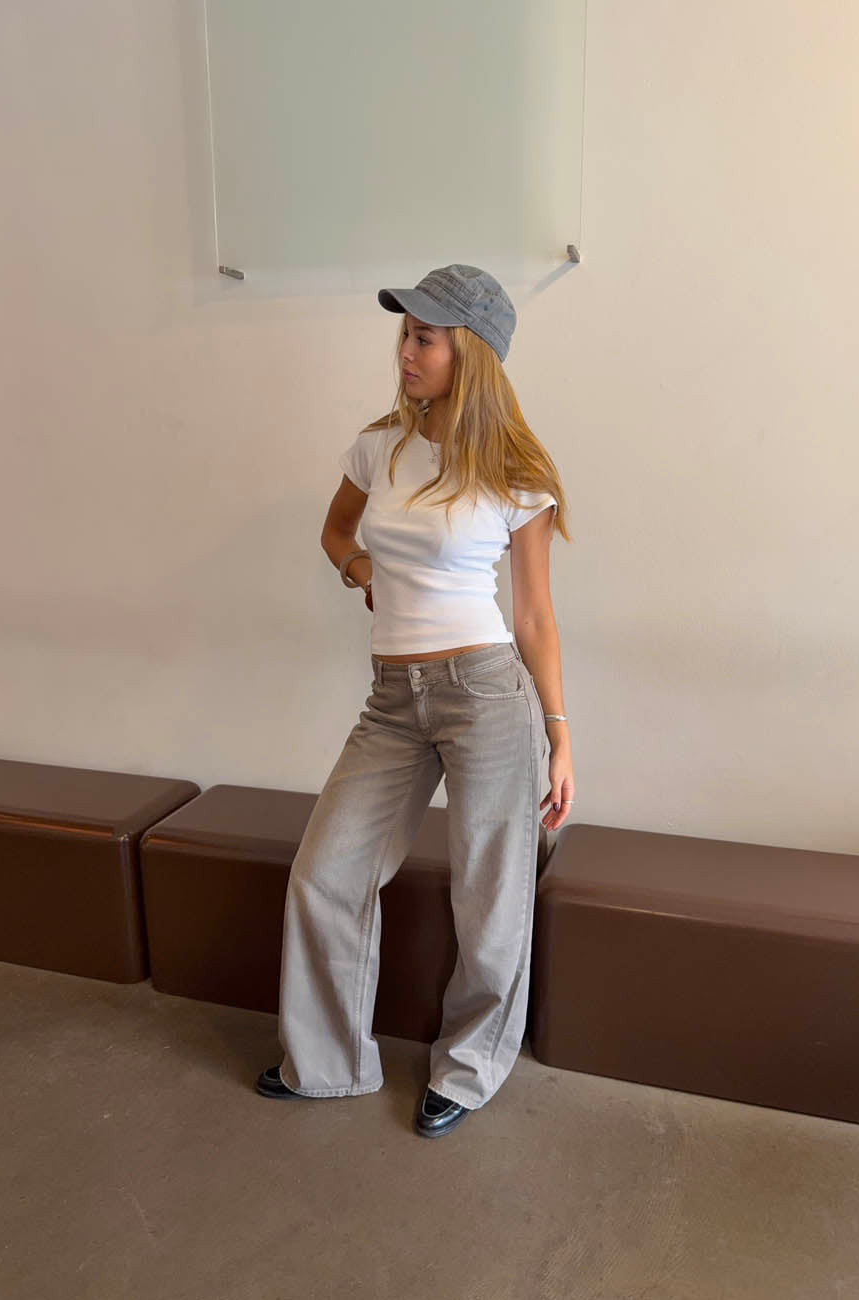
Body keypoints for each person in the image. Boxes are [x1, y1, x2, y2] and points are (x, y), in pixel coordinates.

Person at [255, 263, 574, 1138]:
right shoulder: (378, 446)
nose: (405, 350)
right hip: (393, 698)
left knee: (488, 896)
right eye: (404, 333)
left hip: (486, 695)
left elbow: (534, 616)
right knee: (326, 873)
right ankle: (326, 1063)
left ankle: (469, 1069)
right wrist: (361, 570)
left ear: (469, 353)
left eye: (424, 337)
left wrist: (559, 735)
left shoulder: (514, 471)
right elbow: (335, 530)